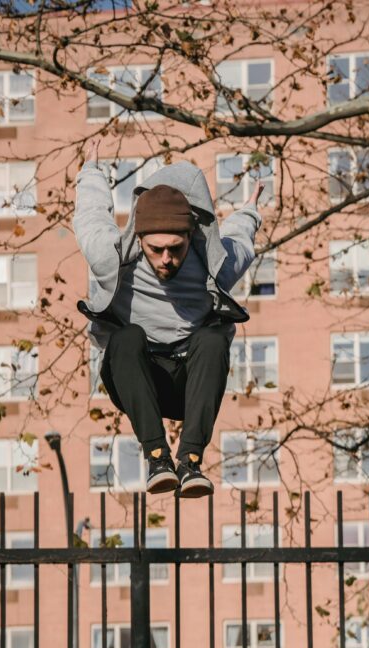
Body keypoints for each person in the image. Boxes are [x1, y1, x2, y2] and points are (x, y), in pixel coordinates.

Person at [73, 140, 264, 498]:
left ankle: (190, 461)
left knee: (212, 338)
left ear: (191, 236)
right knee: (126, 336)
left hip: (189, 383)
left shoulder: (213, 266)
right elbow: (90, 215)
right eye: (155, 249)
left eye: (175, 249)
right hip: (135, 377)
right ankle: (157, 458)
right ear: (139, 237)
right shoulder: (111, 256)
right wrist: (91, 172)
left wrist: (251, 211)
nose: (165, 259)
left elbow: (240, 239)